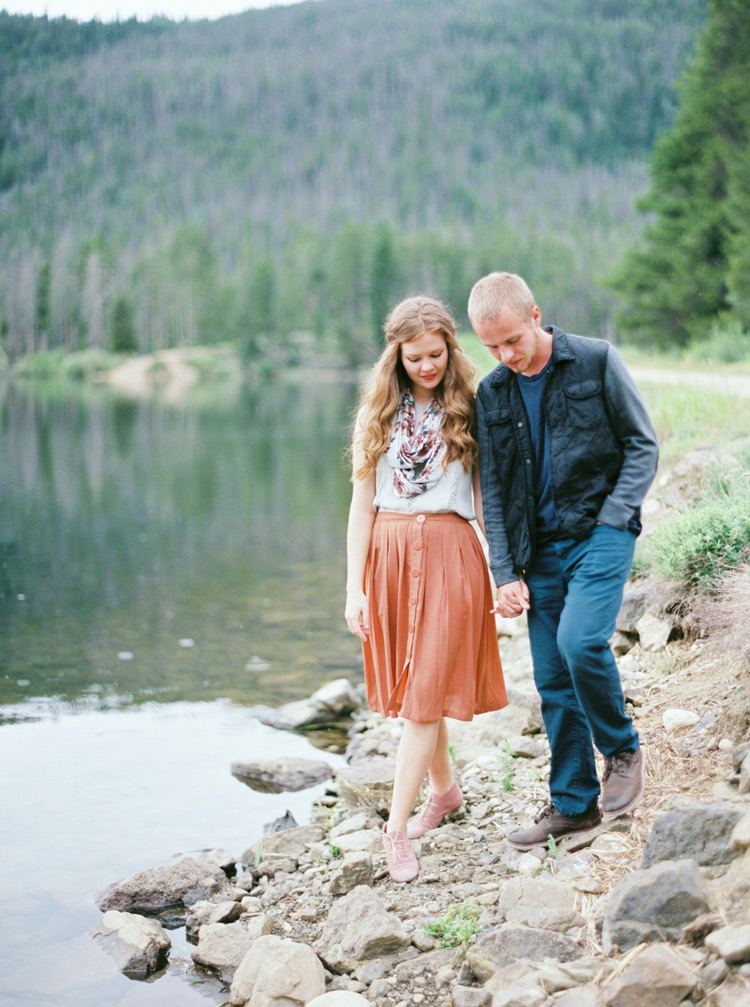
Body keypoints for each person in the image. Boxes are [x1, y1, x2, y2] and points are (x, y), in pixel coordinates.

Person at [468, 272, 658, 850]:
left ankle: (622, 750)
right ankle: (574, 804)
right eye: (490, 347)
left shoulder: (596, 360)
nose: (504, 356)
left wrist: (615, 516)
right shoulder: (493, 393)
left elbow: (642, 444)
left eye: (511, 342)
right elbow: (494, 491)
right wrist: (503, 571)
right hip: (537, 554)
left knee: (581, 644)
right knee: (552, 679)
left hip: (600, 533)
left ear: (534, 317)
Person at [345, 295, 508, 882]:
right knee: (420, 689)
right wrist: (352, 589)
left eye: (436, 354)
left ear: (450, 348)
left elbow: (486, 499)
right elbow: (361, 507)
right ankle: (445, 793)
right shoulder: (377, 413)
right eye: (415, 358)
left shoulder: (471, 404)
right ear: (397, 355)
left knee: (422, 695)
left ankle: (395, 831)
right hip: (387, 555)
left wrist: (505, 570)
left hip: (449, 552)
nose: (427, 366)